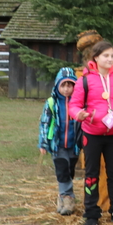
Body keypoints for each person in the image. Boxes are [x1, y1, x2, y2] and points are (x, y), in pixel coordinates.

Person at [68, 40, 113, 225]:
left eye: (112, 56)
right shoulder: (85, 80)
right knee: (92, 175)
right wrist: (79, 114)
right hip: (91, 134)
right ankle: (91, 215)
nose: (110, 59)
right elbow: (74, 105)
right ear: (96, 58)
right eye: (106, 56)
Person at [38, 67, 81, 216]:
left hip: (74, 145)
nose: (66, 89)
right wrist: (43, 143)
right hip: (57, 144)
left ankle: (64, 194)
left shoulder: (79, 103)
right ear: (57, 86)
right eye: (63, 85)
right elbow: (45, 123)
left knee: (70, 170)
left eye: (70, 85)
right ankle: (67, 197)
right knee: (62, 169)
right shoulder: (52, 103)